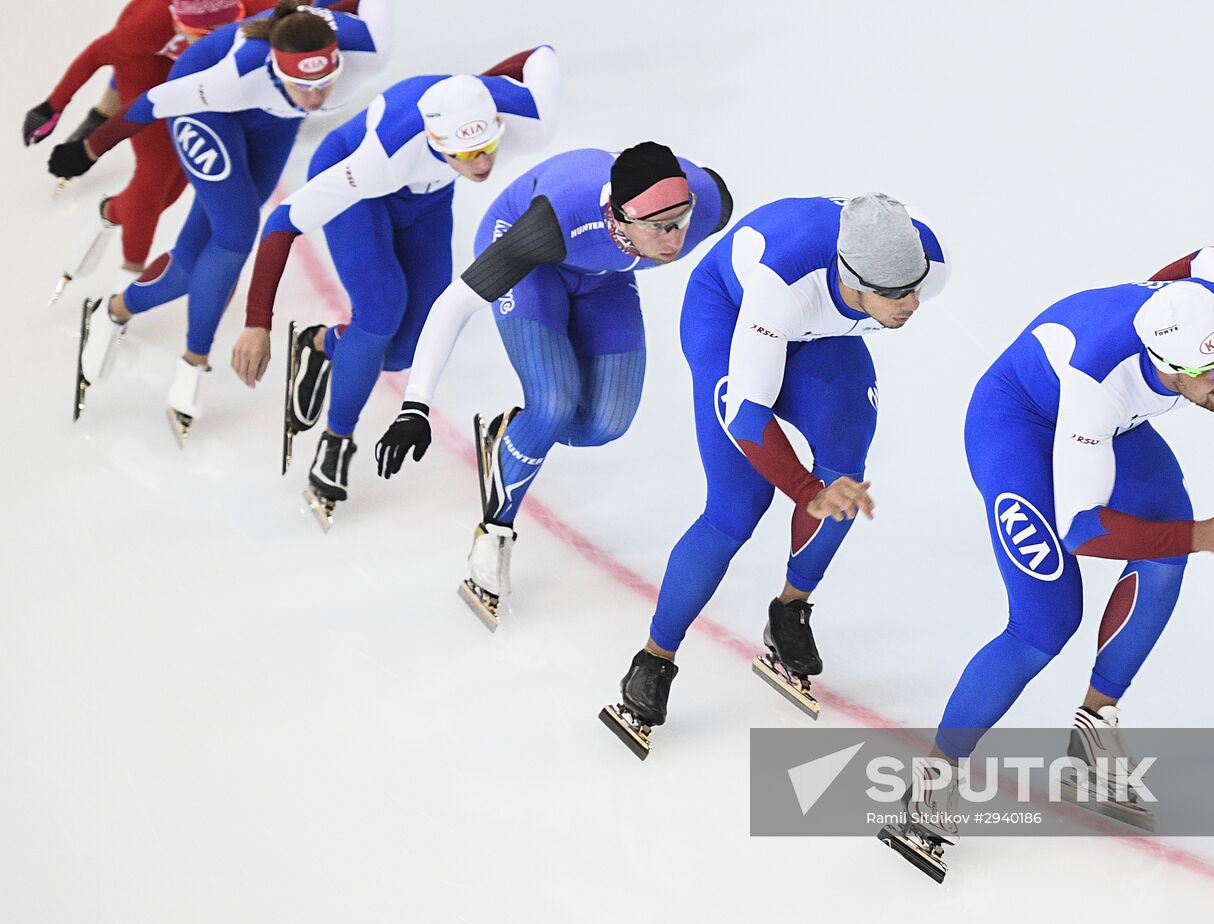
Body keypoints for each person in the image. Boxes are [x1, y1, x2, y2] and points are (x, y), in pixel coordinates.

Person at [883, 247, 1214, 876]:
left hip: (1108, 425)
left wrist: (1158, 293)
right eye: (1211, 373)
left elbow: (1206, 256)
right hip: (1018, 424)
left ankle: (1091, 736)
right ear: (1167, 366)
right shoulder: (1102, 383)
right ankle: (931, 782)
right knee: (1044, 624)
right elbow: (1083, 531)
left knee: (1166, 547)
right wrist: (1202, 535)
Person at [597, 194, 949, 758]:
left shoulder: (927, 262)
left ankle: (789, 610)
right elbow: (746, 416)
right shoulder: (780, 287)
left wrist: (826, 491)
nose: (911, 304)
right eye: (894, 294)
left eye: (915, 287)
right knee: (736, 507)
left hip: (821, 330)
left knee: (846, 474)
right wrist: (806, 492)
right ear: (855, 282)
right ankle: (654, 660)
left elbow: (896, 286)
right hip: (731, 315)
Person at [374, 142, 733, 626]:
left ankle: (511, 437)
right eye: (657, 227)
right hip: (530, 260)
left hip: (603, 274)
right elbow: (453, 304)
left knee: (606, 424)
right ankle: (495, 532)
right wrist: (414, 407)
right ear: (619, 216)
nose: (675, 238)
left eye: (681, 220)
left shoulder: (708, 204)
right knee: (553, 404)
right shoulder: (554, 221)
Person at [225, 46, 559, 521]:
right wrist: (256, 322)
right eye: (466, 154)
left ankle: (320, 344)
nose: (483, 163)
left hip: (429, 198)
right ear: (436, 141)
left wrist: (474, 85)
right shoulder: (381, 159)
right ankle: (336, 441)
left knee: (407, 351)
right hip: (359, 189)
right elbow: (282, 222)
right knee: (381, 311)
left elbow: (542, 54)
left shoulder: (528, 121)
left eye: (488, 146)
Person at [53, 0, 391, 441]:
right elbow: (152, 102)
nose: (315, 98)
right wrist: (88, 149)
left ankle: (114, 309)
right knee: (236, 234)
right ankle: (194, 361)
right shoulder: (234, 78)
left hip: (274, 121)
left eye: (324, 83)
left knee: (192, 263)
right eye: (302, 85)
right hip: (208, 112)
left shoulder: (371, 52)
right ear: (277, 69)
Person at [24, 0, 279, 285]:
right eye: (203, 33)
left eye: (228, 26)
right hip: (146, 62)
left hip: (183, 63)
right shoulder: (148, 26)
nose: (215, 39)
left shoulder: (261, 8)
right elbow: (94, 56)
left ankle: (112, 211)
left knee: (172, 187)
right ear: (178, 23)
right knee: (156, 172)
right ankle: (129, 276)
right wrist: (51, 107)